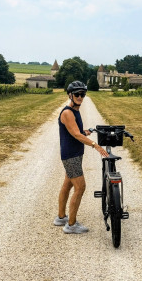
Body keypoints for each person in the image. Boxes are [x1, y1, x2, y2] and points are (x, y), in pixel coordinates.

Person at [54, 80, 109, 234]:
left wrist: (86, 132)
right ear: (70, 95)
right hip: (70, 156)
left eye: (82, 94)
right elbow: (76, 134)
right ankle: (71, 225)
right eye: (77, 94)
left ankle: (61, 217)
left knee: (68, 185)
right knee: (80, 187)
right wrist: (94, 144)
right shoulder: (67, 112)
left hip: (74, 154)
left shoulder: (75, 111)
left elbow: (75, 131)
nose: (80, 97)